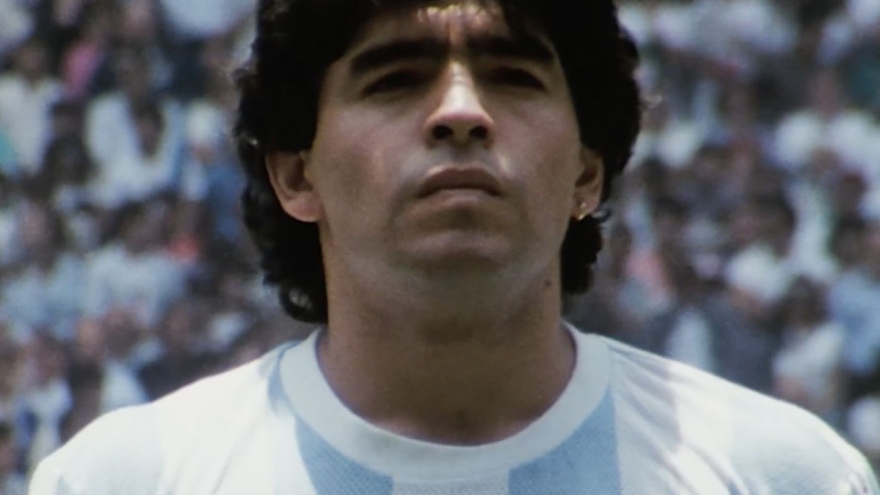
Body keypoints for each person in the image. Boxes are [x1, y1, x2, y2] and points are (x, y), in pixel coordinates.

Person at [29, 0, 880, 493]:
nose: (461, 111)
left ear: (587, 171)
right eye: (396, 79)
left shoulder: (778, 474)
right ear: (296, 172)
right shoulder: (128, 479)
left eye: (513, 76)